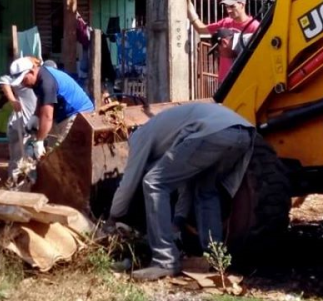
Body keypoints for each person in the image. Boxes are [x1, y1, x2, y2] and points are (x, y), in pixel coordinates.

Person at [109, 102, 256, 281]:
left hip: (213, 132)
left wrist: (113, 217)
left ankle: (165, 260)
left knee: (154, 182)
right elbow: (186, 182)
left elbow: (130, 182)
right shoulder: (167, 127)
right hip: (243, 132)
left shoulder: (139, 136)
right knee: (205, 190)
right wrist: (178, 220)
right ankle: (214, 258)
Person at [8, 56, 94, 159]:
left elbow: (47, 116)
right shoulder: (39, 77)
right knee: (51, 153)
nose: (23, 84)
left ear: (31, 71)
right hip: (62, 115)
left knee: (62, 155)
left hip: (78, 115)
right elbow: (42, 99)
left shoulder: (47, 83)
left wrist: (39, 141)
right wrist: (35, 117)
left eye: (23, 79)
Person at [187, 0, 260, 81]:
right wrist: (191, 12)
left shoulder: (254, 26)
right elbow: (202, 30)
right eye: (227, 7)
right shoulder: (226, 22)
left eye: (232, 6)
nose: (229, 10)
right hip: (224, 80)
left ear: (242, 5)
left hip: (244, 80)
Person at [0, 58, 40, 179]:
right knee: (17, 161)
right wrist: (13, 100)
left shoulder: (42, 82)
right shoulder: (21, 80)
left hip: (36, 127)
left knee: (33, 161)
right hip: (20, 125)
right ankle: (13, 186)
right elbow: (3, 81)